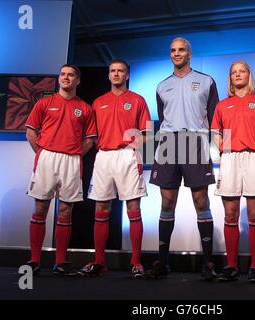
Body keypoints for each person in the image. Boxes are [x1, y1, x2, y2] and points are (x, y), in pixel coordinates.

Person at [147, 37, 219, 280]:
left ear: (190, 53)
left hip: (196, 141)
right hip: (168, 142)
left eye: (181, 50)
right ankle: (162, 262)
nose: (177, 54)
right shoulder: (161, 85)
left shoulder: (206, 81)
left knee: (201, 201)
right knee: (167, 202)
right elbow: (163, 116)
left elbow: (214, 118)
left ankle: (208, 263)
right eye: (173, 51)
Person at [78, 59, 152, 279]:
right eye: (113, 71)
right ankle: (99, 261)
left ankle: (136, 262)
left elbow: (147, 132)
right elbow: (90, 134)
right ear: (109, 75)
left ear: (127, 75)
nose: (116, 74)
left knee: (133, 208)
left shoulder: (137, 100)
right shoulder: (98, 102)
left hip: (128, 155)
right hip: (104, 157)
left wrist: (133, 150)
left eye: (121, 71)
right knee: (101, 209)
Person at [25, 64, 97, 275]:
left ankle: (60, 262)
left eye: (71, 75)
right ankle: (34, 260)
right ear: (59, 78)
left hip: (71, 161)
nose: (66, 78)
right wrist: (43, 153)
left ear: (78, 80)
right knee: (41, 209)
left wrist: (73, 154)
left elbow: (90, 140)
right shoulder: (45, 102)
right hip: (46, 157)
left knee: (65, 211)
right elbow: (31, 132)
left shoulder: (85, 108)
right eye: (63, 74)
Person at [211, 61, 255, 282]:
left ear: (249, 75)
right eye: (233, 73)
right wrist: (225, 152)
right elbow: (216, 135)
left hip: (253, 159)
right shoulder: (222, 105)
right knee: (230, 215)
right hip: (229, 159)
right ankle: (231, 266)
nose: (237, 75)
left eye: (242, 71)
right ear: (230, 78)